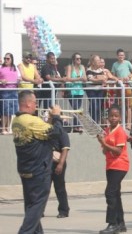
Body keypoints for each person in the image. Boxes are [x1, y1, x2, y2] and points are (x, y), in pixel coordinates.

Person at [12, 91, 66, 233]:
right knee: (37, 206)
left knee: (31, 206)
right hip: (38, 171)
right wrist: (56, 116)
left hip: (26, 168)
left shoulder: (17, 120)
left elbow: (41, 135)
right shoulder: (31, 120)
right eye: (35, 102)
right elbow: (57, 132)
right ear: (28, 103)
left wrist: (48, 120)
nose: (36, 105)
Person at [97, 106, 129, 234]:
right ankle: (121, 223)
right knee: (115, 194)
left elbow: (118, 151)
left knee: (110, 193)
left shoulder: (120, 131)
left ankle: (112, 223)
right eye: (111, 116)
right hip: (110, 165)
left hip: (120, 165)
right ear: (108, 117)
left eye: (116, 116)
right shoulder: (107, 130)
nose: (113, 118)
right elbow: (105, 151)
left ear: (120, 117)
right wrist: (102, 142)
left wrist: (104, 144)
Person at [48, 124, 71, 219]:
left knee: (59, 188)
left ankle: (64, 210)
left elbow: (65, 149)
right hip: (46, 163)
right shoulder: (46, 131)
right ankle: (39, 211)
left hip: (57, 163)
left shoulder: (62, 133)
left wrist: (60, 164)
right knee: (43, 188)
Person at [111, 49, 132, 128]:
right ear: (117, 56)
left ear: (124, 56)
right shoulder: (115, 64)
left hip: (127, 86)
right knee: (120, 106)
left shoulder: (127, 63)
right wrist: (118, 79)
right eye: (119, 55)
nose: (121, 56)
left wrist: (128, 76)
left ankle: (128, 123)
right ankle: (122, 123)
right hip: (119, 86)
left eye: (122, 55)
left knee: (129, 106)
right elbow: (113, 75)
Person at [65, 52, 87, 133]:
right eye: (77, 59)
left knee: (78, 109)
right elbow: (68, 78)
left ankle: (76, 126)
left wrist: (84, 79)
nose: (79, 60)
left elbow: (84, 77)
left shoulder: (82, 67)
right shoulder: (70, 67)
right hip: (72, 90)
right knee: (75, 108)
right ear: (74, 60)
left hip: (80, 90)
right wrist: (78, 79)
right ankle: (76, 125)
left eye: (80, 58)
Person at [0, 53, 20, 134]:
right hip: (4, 91)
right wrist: (1, 81)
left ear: (11, 59)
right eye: (5, 58)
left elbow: (19, 77)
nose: (6, 60)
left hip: (14, 91)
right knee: (4, 110)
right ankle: (3, 128)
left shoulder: (15, 68)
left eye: (8, 58)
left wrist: (19, 80)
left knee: (11, 111)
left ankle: (8, 128)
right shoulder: (1, 68)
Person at [86, 55, 108, 125]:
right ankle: (94, 122)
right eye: (97, 61)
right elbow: (91, 79)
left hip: (100, 90)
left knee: (98, 107)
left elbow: (105, 78)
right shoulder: (89, 70)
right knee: (94, 106)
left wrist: (97, 78)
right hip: (92, 90)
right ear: (93, 62)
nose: (99, 62)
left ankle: (97, 122)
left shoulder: (100, 70)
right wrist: (100, 79)